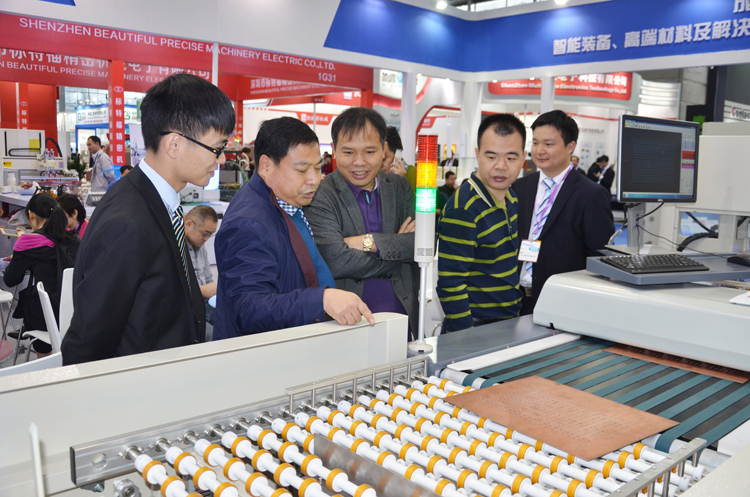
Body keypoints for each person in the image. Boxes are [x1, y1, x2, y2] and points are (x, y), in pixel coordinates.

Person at [61, 73, 235, 364]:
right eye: (217, 148)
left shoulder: (157, 201)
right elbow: (88, 343)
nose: (221, 160)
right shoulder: (127, 223)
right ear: (174, 144)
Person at [214, 116, 374, 339]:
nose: (313, 180)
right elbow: (249, 309)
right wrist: (321, 300)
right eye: (301, 170)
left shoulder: (288, 203)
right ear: (266, 166)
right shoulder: (249, 222)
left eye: (318, 168)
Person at [305, 107, 419, 337]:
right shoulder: (320, 195)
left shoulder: (399, 187)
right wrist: (398, 251)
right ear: (334, 149)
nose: (359, 162)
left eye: (369, 151)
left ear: (383, 149)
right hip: (347, 325)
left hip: (403, 319)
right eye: (348, 152)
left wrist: (367, 242)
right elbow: (337, 261)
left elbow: (420, 244)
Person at [513, 110, 614, 315]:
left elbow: (599, 258)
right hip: (515, 299)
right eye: (535, 143)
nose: (539, 151)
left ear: (570, 146)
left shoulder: (591, 194)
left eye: (548, 144)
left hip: (562, 303)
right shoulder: (520, 187)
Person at [436, 114, 525, 332]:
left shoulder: (512, 197)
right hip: (477, 327)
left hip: (509, 322)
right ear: (477, 154)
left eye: (511, 158)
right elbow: (451, 283)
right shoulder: (464, 209)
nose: (501, 166)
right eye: (491, 156)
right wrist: (466, 338)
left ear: (523, 158)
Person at [4, 194, 80, 357]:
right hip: (77, 312)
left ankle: (45, 360)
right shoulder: (73, 238)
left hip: (48, 317)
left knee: (36, 302)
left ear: (31, 214)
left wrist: (19, 252)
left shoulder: (28, 242)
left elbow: (10, 280)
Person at [184, 205, 218, 326]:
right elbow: (171, 291)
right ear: (189, 225)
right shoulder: (175, 249)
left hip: (204, 304)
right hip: (187, 310)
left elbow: (208, 278)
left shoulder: (201, 248)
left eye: (210, 234)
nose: (206, 239)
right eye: (205, 233)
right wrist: (201, 291)